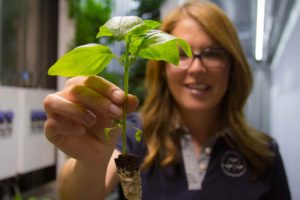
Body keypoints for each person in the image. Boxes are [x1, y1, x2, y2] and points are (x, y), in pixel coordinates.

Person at [44, 1, 291, 199]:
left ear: (232, 67)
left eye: (213, 53)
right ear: (162, 68)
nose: (196, 68)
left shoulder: (264, 153)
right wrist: (90, 163)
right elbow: (77, 194)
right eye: (181, 53)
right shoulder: (133, 133)